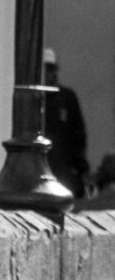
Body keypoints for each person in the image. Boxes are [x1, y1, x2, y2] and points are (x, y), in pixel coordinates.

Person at [42, 47, 89, 199]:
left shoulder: (67, 98)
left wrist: (79, 169)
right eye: (47, 69)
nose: (50, 74)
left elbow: (78, 135)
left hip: (64, 174)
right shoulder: (34, 99)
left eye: (52, 69)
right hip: (41, 174)